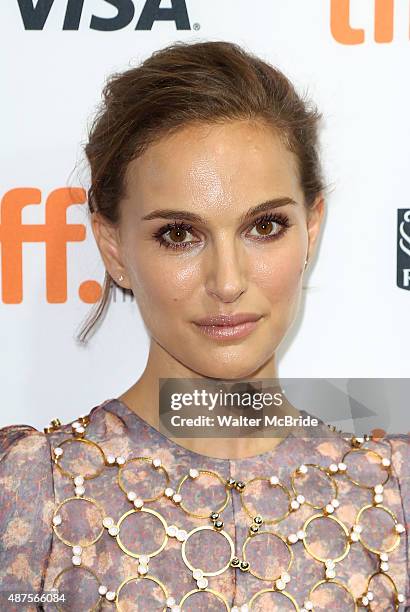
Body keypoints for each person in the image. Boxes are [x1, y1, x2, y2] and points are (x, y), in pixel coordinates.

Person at [0, 41, 408, 612]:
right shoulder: (27, 490)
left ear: (311, 229)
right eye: (178, 234)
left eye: (265, 226)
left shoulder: (395, 494)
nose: (227, 281)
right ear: (113, 246)